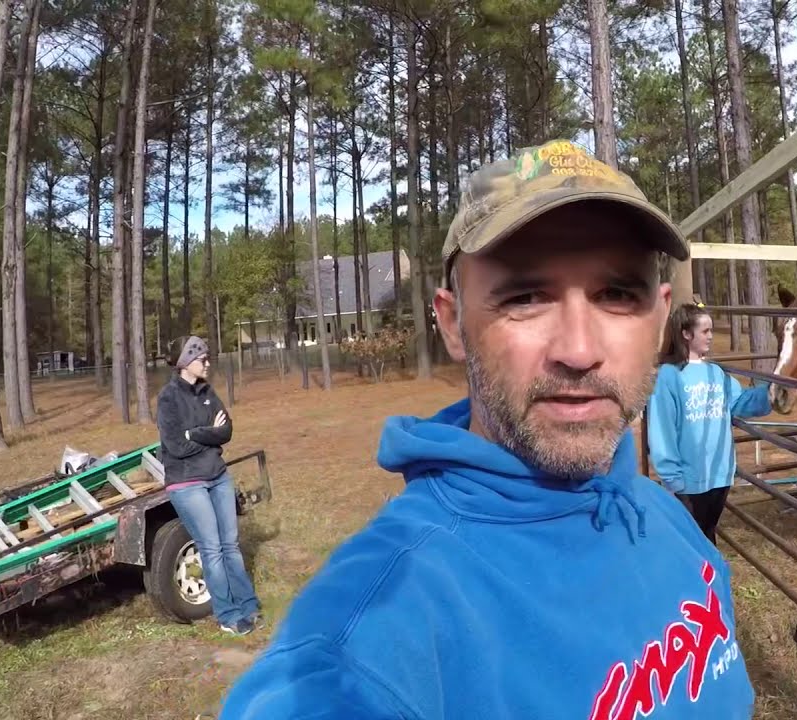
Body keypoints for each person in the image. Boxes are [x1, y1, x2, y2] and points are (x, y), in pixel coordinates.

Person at [219, 140, 755, 719]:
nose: (579, 351)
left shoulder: (666, 518)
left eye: (617, 295)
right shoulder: (382, 625)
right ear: (453, 324)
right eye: (526, 297)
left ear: (660, 316)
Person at [156, 335, 261, 637]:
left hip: (218, 476)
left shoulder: (207, 392)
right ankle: (228, 615)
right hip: (187, 483)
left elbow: (226, 431)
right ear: (186, 361)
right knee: (212, 549)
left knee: (231, 545)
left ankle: (248, 604)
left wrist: (195, 434)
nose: (207, 364)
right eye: (202, 359)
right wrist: (208, 434)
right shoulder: (168, 398)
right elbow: (175, 446)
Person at [645, 304, 771, 545]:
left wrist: (773, 393)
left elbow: (741, 402)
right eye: (705, 331)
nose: (711, 336)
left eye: (711, 330)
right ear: (686, 333)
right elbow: (662, 431)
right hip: (687, 481)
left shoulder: (716, 373)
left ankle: (710, 570)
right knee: (690, 544)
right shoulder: (669, 376)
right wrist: (672, 478)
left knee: (707, 537)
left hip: (719, 476)